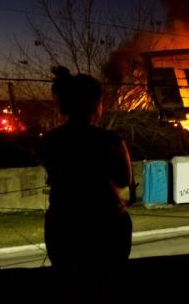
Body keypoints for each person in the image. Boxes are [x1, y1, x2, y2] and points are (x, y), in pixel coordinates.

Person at [42, 66, 136, 304]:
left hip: (62, 224)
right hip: (106, 226)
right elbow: (125, 180)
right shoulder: (111, 141)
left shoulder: (50, 141)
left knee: (70, 287)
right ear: (95, 103)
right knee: (106, 287)